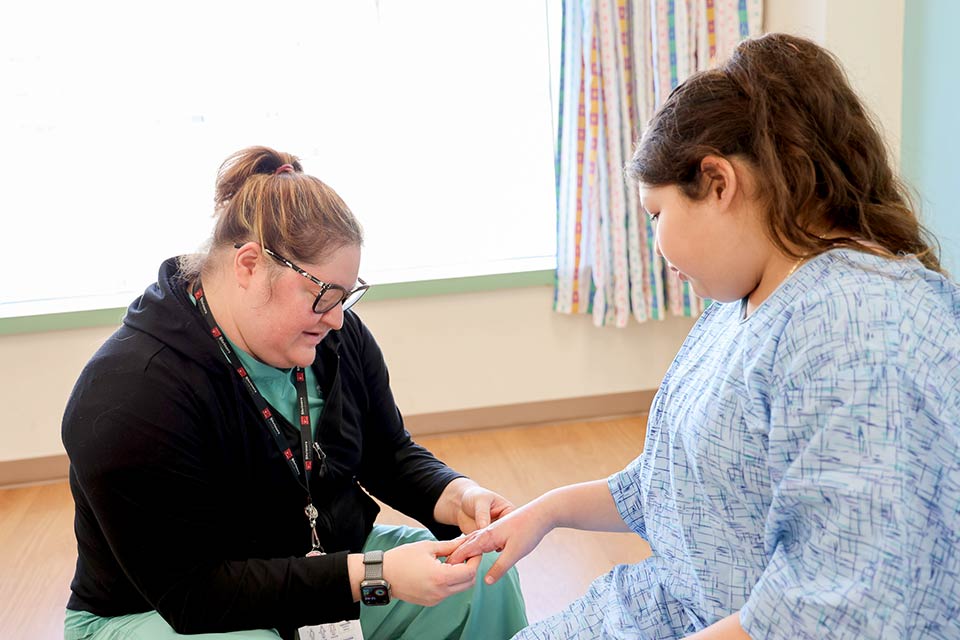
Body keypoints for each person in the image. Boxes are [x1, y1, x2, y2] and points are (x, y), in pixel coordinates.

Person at [448, 32, 960, 639]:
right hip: (672, 605)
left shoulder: (861, 326)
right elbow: (682, 484)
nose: (659, 248)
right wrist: (549, 512)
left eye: (657, 216)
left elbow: (834, 610)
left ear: (718, 182)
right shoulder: (754, 294)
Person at [62, 146, 528, 640]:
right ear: (249, 265)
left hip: (319, 567)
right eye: (323, 295)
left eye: (346, 296)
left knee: (481, 575)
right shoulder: (129, 397)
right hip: (164, 609)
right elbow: (193, 595)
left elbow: (387, 452)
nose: (338, 318)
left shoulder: (333, 337)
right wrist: (376, 575)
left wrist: (456, 495)